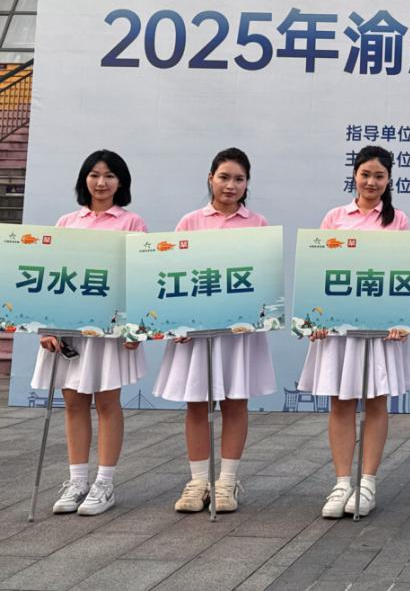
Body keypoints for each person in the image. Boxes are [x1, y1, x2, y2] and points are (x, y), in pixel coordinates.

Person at [153, 147, 275, 514]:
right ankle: (198, 482)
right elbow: (172, 275)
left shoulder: (258, 225)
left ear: (247, 183)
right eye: (224, 177)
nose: (230, 185)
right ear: (211, 178)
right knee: (197, 403)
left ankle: (226, 482)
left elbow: (265, 281)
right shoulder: (190, 222)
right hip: (196, 332)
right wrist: (175, 322)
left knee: (235, 402)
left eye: (239, 179)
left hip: (238, 334)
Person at [298, 146, 410, 518]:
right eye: (365, 174)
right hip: (339, 329)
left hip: (381, 328)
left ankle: (367, 483)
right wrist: (314, 318)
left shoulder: (398, 220)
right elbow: (320, 270)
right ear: (354, 175)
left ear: (389, 179)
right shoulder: (335, 218)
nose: (371, 182)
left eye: (379, 176)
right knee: (341, 402)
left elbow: (406, 273)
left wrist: (403, 320)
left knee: (377, 401)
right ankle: (341, 483)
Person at [34, 150, 147, 516]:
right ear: (84, 179)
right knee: (73, 402)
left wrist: (135, 328)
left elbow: (139, 279)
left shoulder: (132, 223)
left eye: (110, 175)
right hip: (71, 330)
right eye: (95, 174)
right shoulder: (67, 222)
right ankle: (77, 480)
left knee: (108, 402)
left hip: (109, 332)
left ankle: (104, 483)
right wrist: (46, 327)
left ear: (121, 182)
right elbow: (51, 279)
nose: (102, 182)